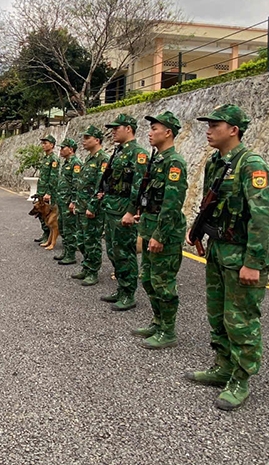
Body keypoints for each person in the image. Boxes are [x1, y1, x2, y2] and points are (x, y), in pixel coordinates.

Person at [184, 104, 269, 411]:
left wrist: (254, 262)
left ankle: (241, 378)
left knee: (241, 320)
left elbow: (263, 219)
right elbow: (211, 204)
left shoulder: (252, 165)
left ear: (233, 129)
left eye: (215, 125)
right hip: (218, 249)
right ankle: (222, 366)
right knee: (217, 313)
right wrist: (200, 232)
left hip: (241, 255)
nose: (209, 130)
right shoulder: (216, 162)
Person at [131, 111, 188, 349]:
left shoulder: (174, 163)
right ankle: (157, 321)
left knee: (163, 282)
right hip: (150, 225)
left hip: (164, 232)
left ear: (168, 132)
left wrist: (160, 235)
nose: (150, 132)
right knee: (148, 279)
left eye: (155, 128)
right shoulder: (158, 160)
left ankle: (168, 330)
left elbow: (172, 203)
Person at [99, 114, 149, 311]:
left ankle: (129, 293)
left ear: (128, 128)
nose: (113, 131)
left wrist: (131, 211)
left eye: (116, 128)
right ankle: (121, 287)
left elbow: (139, 186)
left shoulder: (138, 153)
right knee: (112, 250)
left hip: (123, 210)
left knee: (125, 251)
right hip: (111, 207)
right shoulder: (118, 152)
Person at [69, 125, 109, 286]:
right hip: (81, 206)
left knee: (92, 240)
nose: (83, 141)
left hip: (92, 209)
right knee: (81, 240)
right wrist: (75, 202)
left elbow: (101, 186)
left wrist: (92, 206)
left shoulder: (103, 159)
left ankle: (93, 270)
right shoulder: (88, 159)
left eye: (87, 138)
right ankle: (86, 266)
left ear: (97, 140)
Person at [53, 138, 83, 265]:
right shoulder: (66, 163)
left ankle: (71, 254)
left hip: (68, 202)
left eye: (63, 148)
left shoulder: (76, 163)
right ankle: (66, 251)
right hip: (62, 200)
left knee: (70, 228)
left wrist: (74, 201)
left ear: (70, 149)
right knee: (62, 226)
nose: (60, 150)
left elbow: (77, 183)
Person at [34, 134, 59, 243]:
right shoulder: (45, 158)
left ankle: (48, 235)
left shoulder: (54, 159)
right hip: (41, 190)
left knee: (47, 213)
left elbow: (54, 177)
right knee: (40, 213)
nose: (43, 145)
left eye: (45, 143)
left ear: (52, 145)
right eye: (42, 143)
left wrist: (48, 193)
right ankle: (45, 233)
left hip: (47, 192)